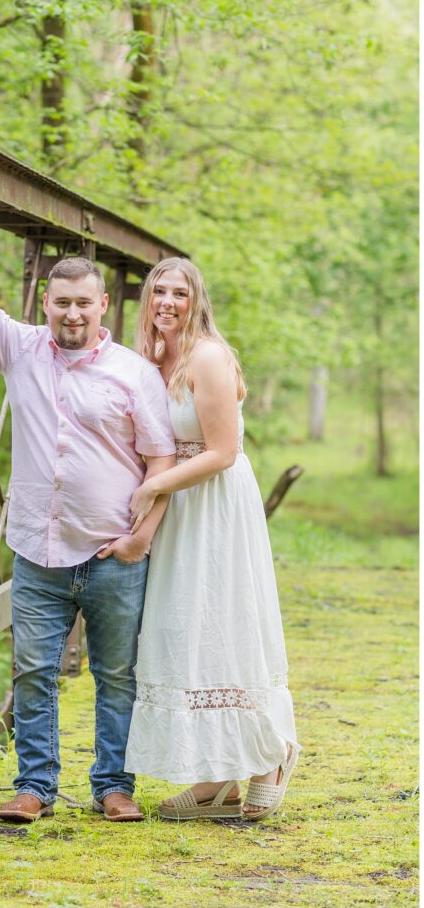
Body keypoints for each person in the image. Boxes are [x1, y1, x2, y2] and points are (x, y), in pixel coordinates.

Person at [0, 213, 176, 824]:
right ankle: (35, 788)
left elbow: (161, 456)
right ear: (44, 304)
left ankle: (113, 787)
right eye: (60, 303)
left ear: (103, 304)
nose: (72, 314)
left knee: (118, 676)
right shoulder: (21, 349)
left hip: (112, 552)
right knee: (32, 673)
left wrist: (141, 540)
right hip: (36, 550)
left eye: (83, 303)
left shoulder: (134, 373)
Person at [124, 257, 299, 821]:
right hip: (181, 506)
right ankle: (213, 780)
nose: (167, 302)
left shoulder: (207, 356)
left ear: (196, 299)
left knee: (227, 621)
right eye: (158, 292)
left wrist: (152, 488)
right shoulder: (153, 359)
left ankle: (267, 759)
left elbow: (223, 453)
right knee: (185, 625)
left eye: (179, 292)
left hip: (217, 502)